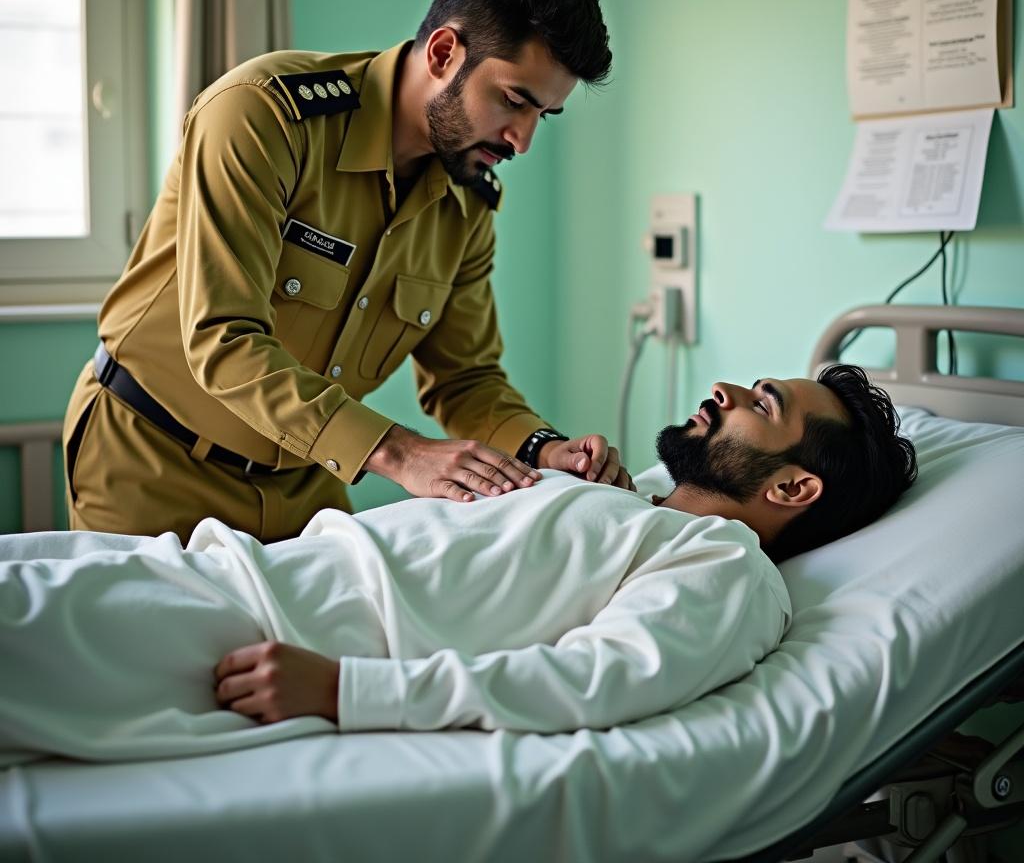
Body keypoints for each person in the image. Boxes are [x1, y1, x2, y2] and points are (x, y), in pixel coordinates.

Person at [1, 365, 916, 763]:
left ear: (794, 490)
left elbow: (591, 680)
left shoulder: (727, 568)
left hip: (257, 635)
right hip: (221, 566)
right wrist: (563, 483)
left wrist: (344, 692)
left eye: (761, 402)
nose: (723, 390)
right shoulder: (630, 506)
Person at [61, 0, 630, 544]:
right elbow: (223, 340)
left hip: (307, 483)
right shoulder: (263, 116)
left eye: (543, 114)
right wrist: (400, 453)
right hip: (153, 460)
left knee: (307, 646)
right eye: (514, 101)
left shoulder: (468, 197)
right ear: (443, 52)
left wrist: (544, 448)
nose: (522, 140)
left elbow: (464, 378)